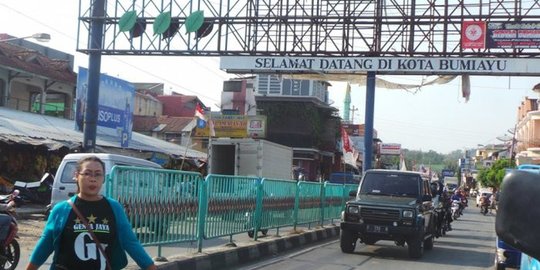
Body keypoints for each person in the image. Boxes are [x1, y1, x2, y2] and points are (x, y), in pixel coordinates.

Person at [26, 156, 157, 270]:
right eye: (87, 173)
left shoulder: (114, 208)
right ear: (76, 176)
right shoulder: (61, 210)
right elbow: (45, 245)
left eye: (98, 174)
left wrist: (151, 267)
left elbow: (131, 243)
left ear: (103, 179)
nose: (92, 179)